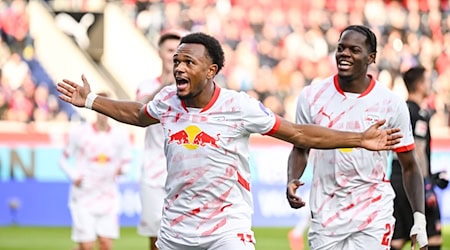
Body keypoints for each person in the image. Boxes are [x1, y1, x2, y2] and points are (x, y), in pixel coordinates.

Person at [56, 32, 402, 250]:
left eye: (188, 62)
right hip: (176, 227)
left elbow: (297, 133)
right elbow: (136, 114)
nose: (178, 67)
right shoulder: (166, 101)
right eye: (177, 61)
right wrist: (90, 101)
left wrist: (358, 138)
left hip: (227, 228)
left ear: (211, 70)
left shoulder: (239, 107)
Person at [286, 25, 428, 250]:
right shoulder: (312, 96)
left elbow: (409, 165)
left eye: (354, 50)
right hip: (326, 214)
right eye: (341, 48)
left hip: (373, 214)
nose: (344, 54)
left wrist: (419, 218)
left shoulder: (391, 104)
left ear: (371, 57)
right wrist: (292, 179)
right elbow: (300, 147)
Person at [59, 92, 132, 250]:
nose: (103, 114)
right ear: (95, 109)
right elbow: (63, 159)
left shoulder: (120, 135)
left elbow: (127, 161)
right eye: (100, 109)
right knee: (87, 246)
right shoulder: (79, 133)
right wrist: (74, 176)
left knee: (105, 244)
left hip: (108, 196)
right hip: (84, 195)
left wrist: (122, 170)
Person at [390, 66, 449, 250]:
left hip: (396, 182)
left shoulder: (400, 110)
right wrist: (427, 184)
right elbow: (418, 152)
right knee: (432, 238)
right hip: (415, 183)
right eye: (427, 80)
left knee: (397, 239)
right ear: (420, 85)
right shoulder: (419, 115)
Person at [135, 30, 183, 250]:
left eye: (178, 52)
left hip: (183, 170)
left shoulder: (190, 89)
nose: (173, 56)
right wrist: (164, 86)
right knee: (155, 236)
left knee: (184, 234)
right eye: (170, 51)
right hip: (154, 170)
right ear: (159, 53)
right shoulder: (147, 85)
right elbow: (141, 111)